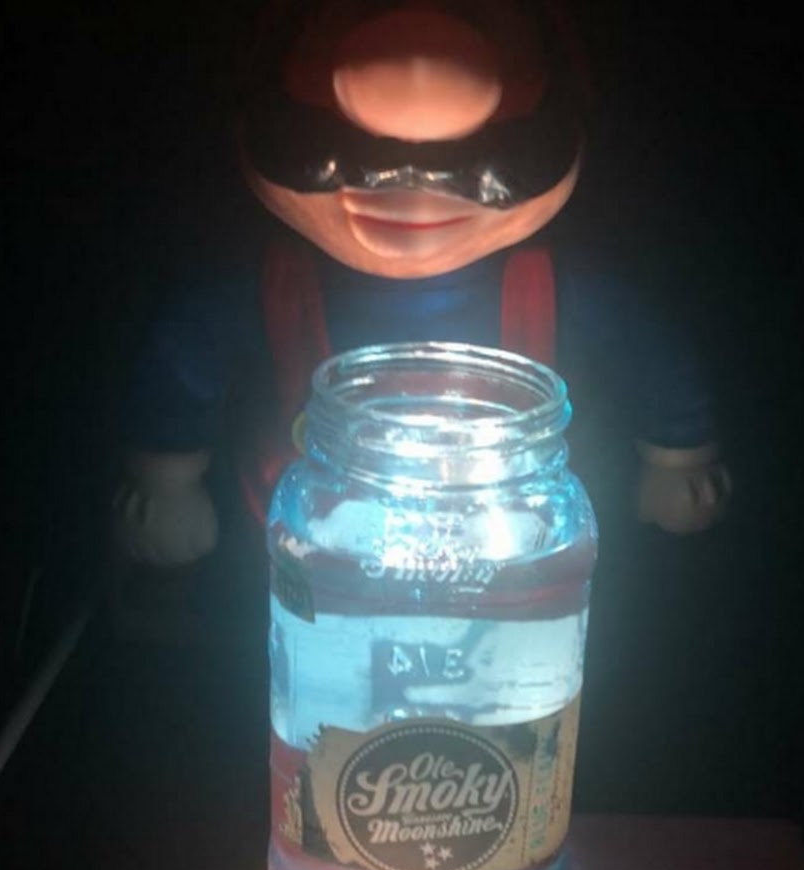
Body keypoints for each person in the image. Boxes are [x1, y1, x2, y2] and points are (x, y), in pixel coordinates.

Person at [114, 0, 730, 572]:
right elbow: (186, 356)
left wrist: (679, 455)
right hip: (313, 554)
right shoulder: (272, 285)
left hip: (507, 556)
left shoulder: (557, 286)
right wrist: (167, 475)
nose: (411, 185)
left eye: (490, 157)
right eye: (332, 148)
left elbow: (649, 349)